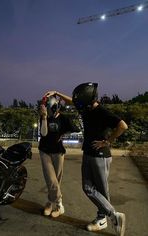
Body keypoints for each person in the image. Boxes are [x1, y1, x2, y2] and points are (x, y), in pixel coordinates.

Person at [45, 83, 128, 236]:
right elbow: (72, 101)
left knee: (102, 190)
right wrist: (57, 93)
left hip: (100, 155)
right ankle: (112, 215)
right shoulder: (86, 108)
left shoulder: (102, 111)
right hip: (88, 152)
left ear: (88, 99)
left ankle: (103, 218)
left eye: (80, 101)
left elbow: (122, 126)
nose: (78, 104)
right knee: (88, 188)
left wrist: (108, 141)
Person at [39, 95, 80, 218]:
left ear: (56, 107)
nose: (49, 110)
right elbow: (44, 133)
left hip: (58, 152)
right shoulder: (44, 116)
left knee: (57, 180)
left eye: (50, 108)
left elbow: (76, 129)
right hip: (45, 151)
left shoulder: (63, 118)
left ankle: (50, 203)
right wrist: (45, 117)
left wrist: (64, 134)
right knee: (51, 180)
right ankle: (59, 205)